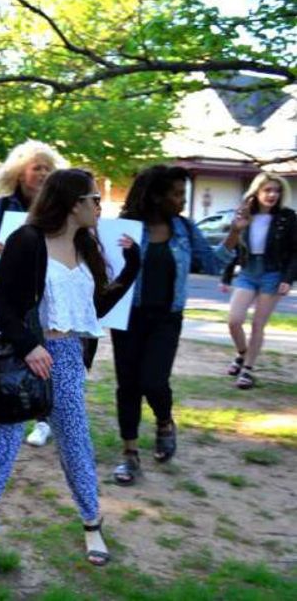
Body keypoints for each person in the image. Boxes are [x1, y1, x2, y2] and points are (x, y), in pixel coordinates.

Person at [0, 169, 139, 578]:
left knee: (75, 444)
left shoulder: (86, 245)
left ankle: (92, 524)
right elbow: (0, 302)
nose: (100, 206)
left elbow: (94, 310)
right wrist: (29, 346)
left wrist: (130, 270)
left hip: (67, 358)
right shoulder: (28, 240)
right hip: (23, 359)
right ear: (73, 203)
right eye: (94, 199)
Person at [111, 165, 246, 486]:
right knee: (128, 386)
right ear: (155, 196)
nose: (182, 201)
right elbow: (100, 265)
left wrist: (234, 233)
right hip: (127, 317)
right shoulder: (125, 227)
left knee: (154, 381)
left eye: (183, 194)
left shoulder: (184, 228)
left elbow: (211, 263)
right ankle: (130, 454)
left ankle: (164, 422)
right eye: (176, 194)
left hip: (166, 318)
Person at [0, 141, 67, 448]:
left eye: (48, 168)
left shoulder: (58, 208)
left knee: (43, 353)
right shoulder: (3, 206)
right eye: (36, 167)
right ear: (19, 173)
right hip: (8, 295)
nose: (43, 173)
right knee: (2, 355)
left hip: (46, 294)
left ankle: (42, 420)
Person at [220, 173, 296, 389]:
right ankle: (242, 353)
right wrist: (226, 276)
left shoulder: (287, 217)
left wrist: (288, 278)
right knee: (234, 320)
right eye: (267, 190)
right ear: (257, 191)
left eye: (277, 191)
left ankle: (247, 370)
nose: (273, 195)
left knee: (257, 324)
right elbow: (235, 247)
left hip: (273, 273)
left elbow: (295, 251)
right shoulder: (245, 215)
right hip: (248, 272)